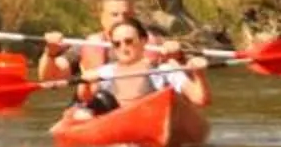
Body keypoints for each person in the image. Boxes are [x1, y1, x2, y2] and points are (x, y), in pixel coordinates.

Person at [56, 15, 208, 126]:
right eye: (117, 44)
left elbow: (201, 100)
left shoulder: (166, 70)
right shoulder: (106, 73)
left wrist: (198, 74)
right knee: (93, 105)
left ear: (143, 41)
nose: (123, 48)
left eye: (129, 41)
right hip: (119, 125)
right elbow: (85, 97)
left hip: (156, 120)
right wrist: (84, 83)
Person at [40, 0, 136, 88]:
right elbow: (51, 77)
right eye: (114, 15)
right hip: (97, 100)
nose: (121, 19)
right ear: (102, 18)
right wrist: (50, 53)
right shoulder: (87, 45)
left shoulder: (145, 43)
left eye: (126, 15)